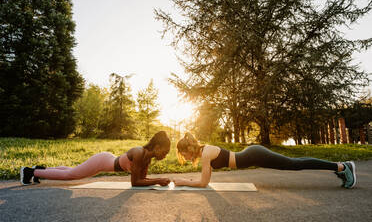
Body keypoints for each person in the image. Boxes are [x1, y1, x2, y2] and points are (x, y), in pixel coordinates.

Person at [173, 132, 356, 189]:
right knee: (293, 163)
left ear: (187, 150)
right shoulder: (205, 152)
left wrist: (183, 182)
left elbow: (204, 183)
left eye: (184, 155)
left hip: (254, 155)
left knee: (294, 164)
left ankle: (342, 166)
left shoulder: (205, 154)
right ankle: (340, 166)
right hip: (254, 156)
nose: (186, 159)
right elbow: (205, 180)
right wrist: (189, 181)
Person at [20, 131, 171, 187]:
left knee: (72, 171)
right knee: (70, 175)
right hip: (101, 161)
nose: (166, 155)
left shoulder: (146, 159)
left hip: (105, 161)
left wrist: (158, 180)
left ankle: (39, 170)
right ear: (157, 147)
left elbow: (143, 180)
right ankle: (29, 172)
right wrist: (158, 180)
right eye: (165, 151)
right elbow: (135, 183)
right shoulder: (139, 153)